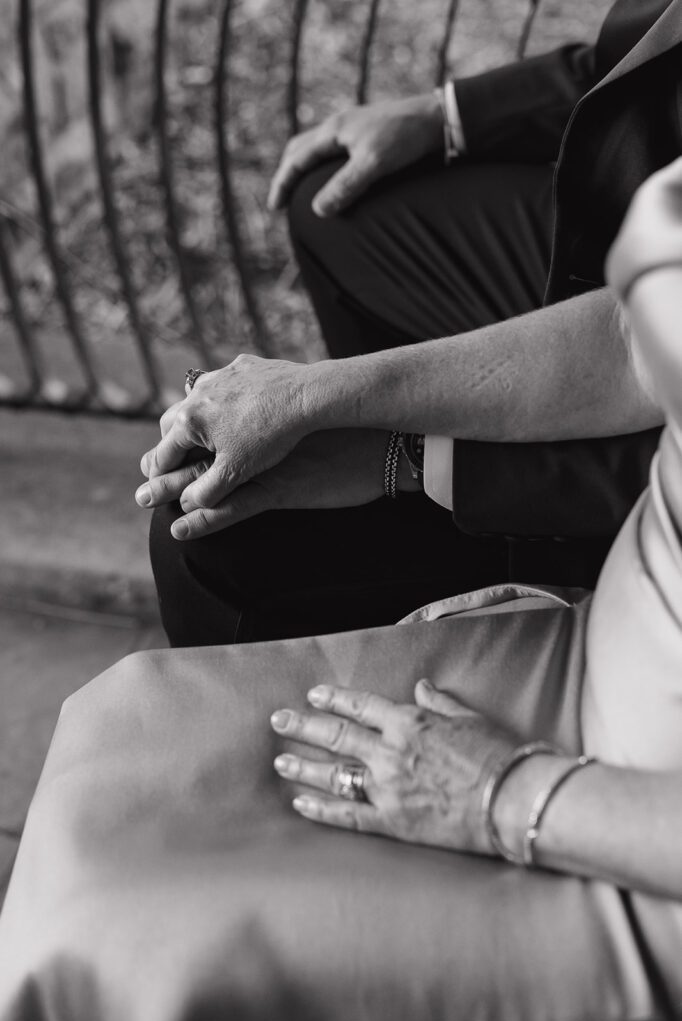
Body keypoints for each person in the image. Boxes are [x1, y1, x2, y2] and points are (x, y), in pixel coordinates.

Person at [1, 162, 681, 1021]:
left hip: (636, 852)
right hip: (615, 641)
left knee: (123, 934)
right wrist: (337, 408)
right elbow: (633, 339)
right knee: (129, 750)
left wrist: (503, 795)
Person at [140, 0, 680, 648]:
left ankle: (537, 564)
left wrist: (400, 450)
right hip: (645, 261)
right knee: (335, 205)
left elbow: (633, 350)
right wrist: (446, 116)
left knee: (209, 533)